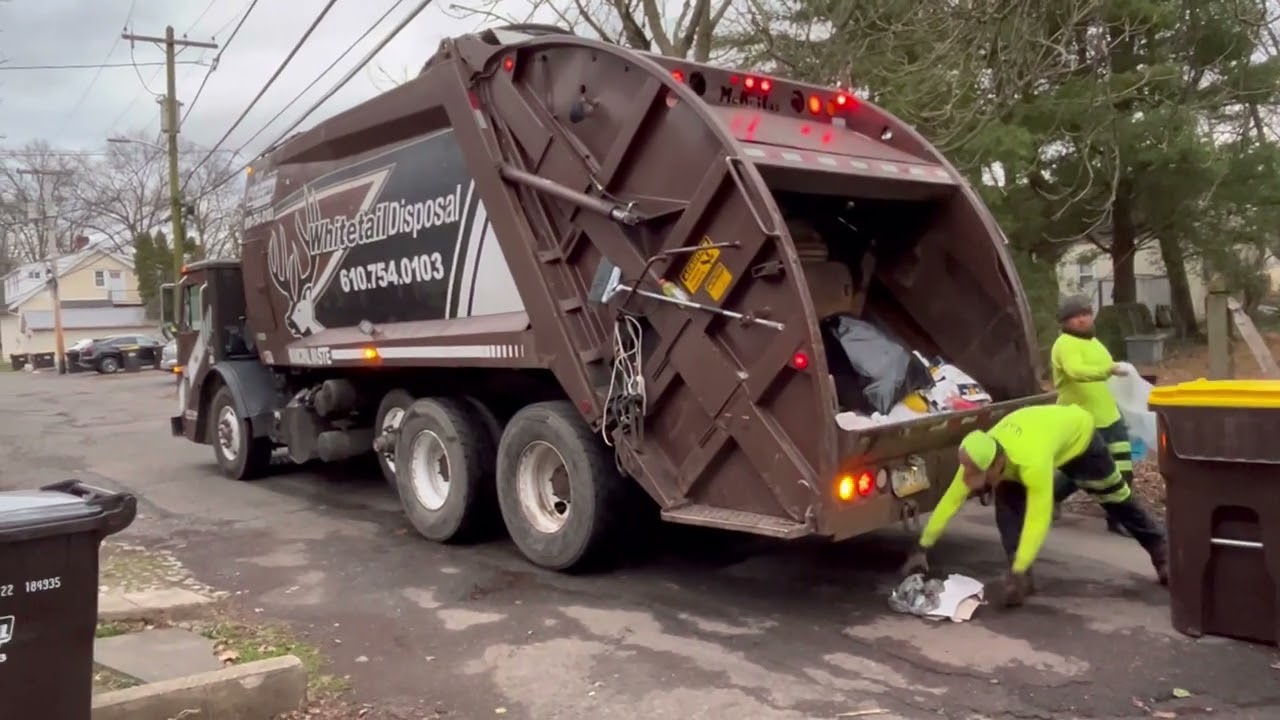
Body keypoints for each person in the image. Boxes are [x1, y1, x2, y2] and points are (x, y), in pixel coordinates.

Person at [900, 404, 1168, 607]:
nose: (977, 484)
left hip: (1079, 438)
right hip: (1033, 439)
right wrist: (922, 546)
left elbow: (1038, 518)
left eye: (982, 478)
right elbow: (950, 501)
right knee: (1006, 511)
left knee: (1114, 497)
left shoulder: (1032, 462)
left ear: (996, 464)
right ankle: (1022, 579)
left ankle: (1161, 551)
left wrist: (1017, 568)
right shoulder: (980, 453)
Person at [1051, 295, 1133, 536]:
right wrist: (1110, 369)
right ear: (1065, 322)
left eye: (1085, 314)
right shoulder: (1065, 344)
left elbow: (1108, 371)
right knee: (1083, 472)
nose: (1082, 319)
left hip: (1110, 415)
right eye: (1076, 316)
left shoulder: (1095, 343)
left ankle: (1119, 518)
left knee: (1123, 467)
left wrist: (1120, 370)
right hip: (1082, 419)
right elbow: (1077, 371)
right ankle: (1049, 498)